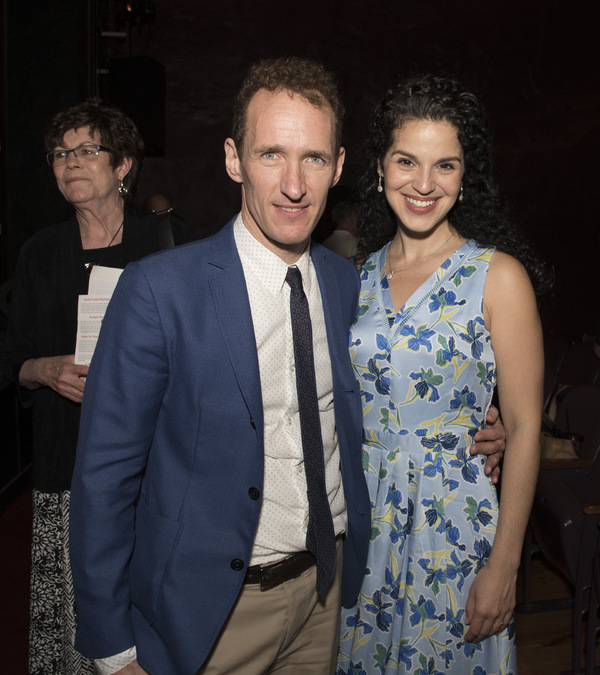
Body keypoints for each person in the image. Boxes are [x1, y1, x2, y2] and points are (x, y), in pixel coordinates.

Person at [69, 59, 505, 675]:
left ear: (341, 166)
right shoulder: (158, 291)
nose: (294, 185)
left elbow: (391, 393)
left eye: (315, 159)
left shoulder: (348, 283)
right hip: (209, 615)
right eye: (271, 154)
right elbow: (103, 478)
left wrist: (481, 425)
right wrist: (114, 651)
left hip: (328, 602)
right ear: (233, 159)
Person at [337, 75, 545, 674]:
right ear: (379, 167)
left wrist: (505, 565)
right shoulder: (351, 275)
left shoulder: (497, 276)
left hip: (452, 530)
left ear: (464, 175)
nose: (424, 184)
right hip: (362, 527)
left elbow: (527, 426)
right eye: (407, 161)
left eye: (444, 165)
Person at [0, 99, 185, 675]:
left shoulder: (167, 246)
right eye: (60, 153)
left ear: (124, 163)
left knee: (153, 629)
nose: (70, 162)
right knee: (73, 640)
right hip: (67, 464)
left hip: (152, 470)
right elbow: (10, 358)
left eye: (86, 150)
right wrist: (44, 370)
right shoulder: (40, 253)